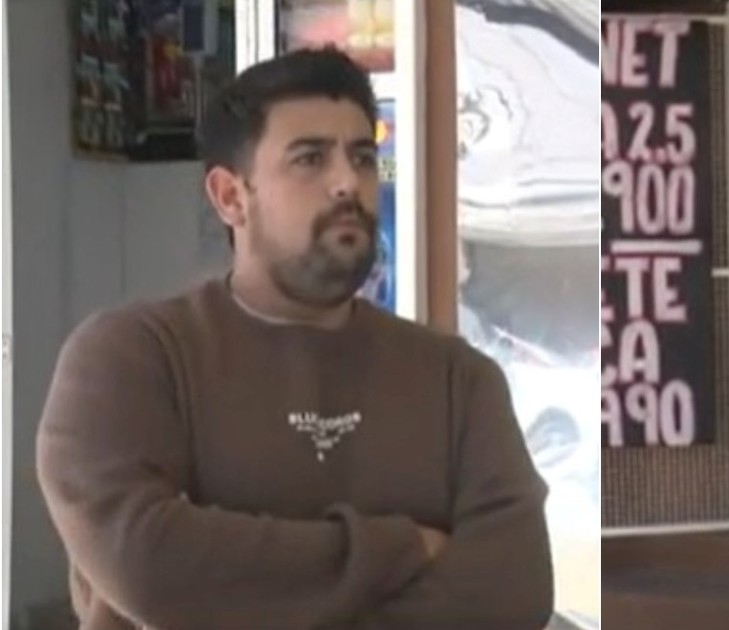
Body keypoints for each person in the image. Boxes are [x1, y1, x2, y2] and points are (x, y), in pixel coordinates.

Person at [36, 47, 554, 630]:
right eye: (310, 159)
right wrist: (405, 548)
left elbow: (514, 592)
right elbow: (147, 569)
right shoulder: (131, 358)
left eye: (362, 157)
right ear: (231, 197)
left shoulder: (460, 379)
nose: (347, 183)